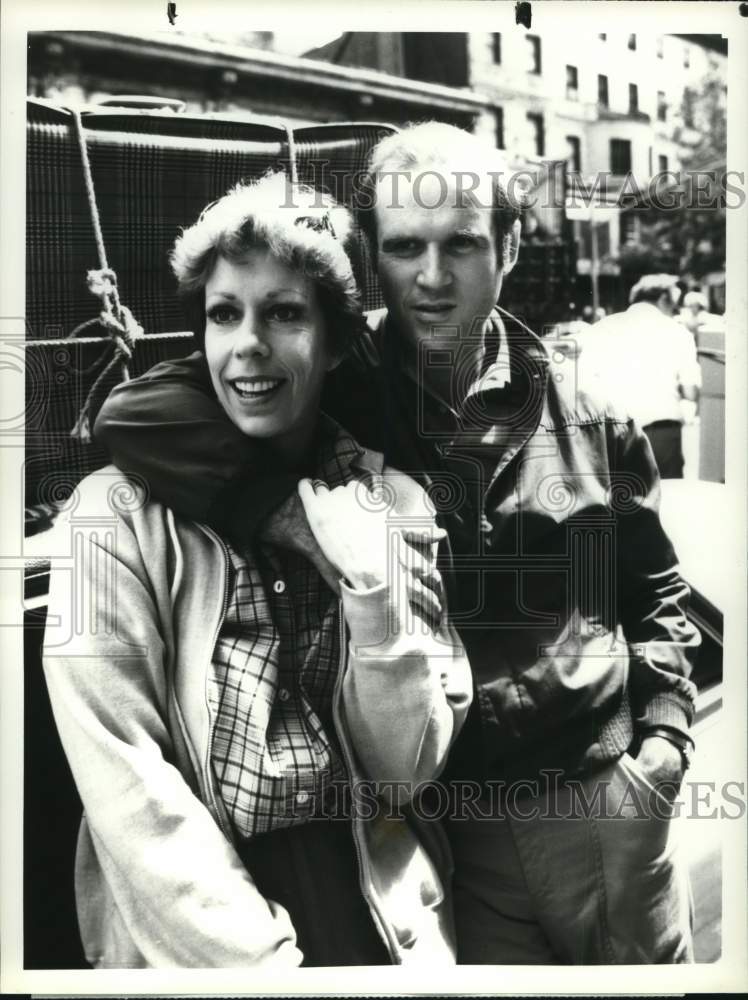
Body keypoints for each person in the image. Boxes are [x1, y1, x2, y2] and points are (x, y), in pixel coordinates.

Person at [94, 123, 700, 964]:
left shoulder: (592, 415)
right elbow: (132, 414)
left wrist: (663, 746)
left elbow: (659, 594)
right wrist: (293, 518)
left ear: (511, 245)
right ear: (375, 256)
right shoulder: (332, 385)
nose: (432, 276)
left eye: (462, 244)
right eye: (405, 246)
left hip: (610, 804)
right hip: (455, 836)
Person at [42, 173, 473, 969]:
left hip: (378, 906)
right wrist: (257, 965)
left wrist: (374, 596)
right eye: (223, 314)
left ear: (338, 341)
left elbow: (408, 772)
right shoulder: (110, 516)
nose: (248, 344)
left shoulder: (396, 501)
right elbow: (126, 782)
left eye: (284, 314)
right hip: (196, 925)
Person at [577, 274, 701, 479]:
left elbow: (584, 385)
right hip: (662, 433)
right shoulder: (678, 332)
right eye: (674, 305)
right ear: (663, 299)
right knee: (668, 501)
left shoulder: (601, 329)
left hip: (613, 434)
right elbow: (690, 391)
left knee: (620, 503)